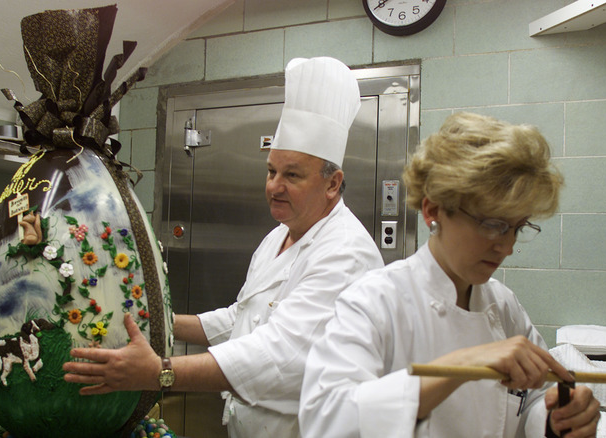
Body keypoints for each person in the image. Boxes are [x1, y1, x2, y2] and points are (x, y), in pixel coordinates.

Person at [63, 56, 385, 438]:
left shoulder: (346, 253)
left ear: (333, 184)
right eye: (271, 171)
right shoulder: (278, 236)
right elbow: (242, 319)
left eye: (292, 175)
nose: (274, 186)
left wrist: (159, 371)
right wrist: (158, 321)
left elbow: (277, 354)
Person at [299, 112, 601, 438]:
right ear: (433, 211)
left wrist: (556, 416)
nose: (507, 247)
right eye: (492, 224)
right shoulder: (374, 301)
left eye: (517, 227)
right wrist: (463, 364)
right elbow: (327, 420)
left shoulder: (503, 305)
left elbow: (531, 399)